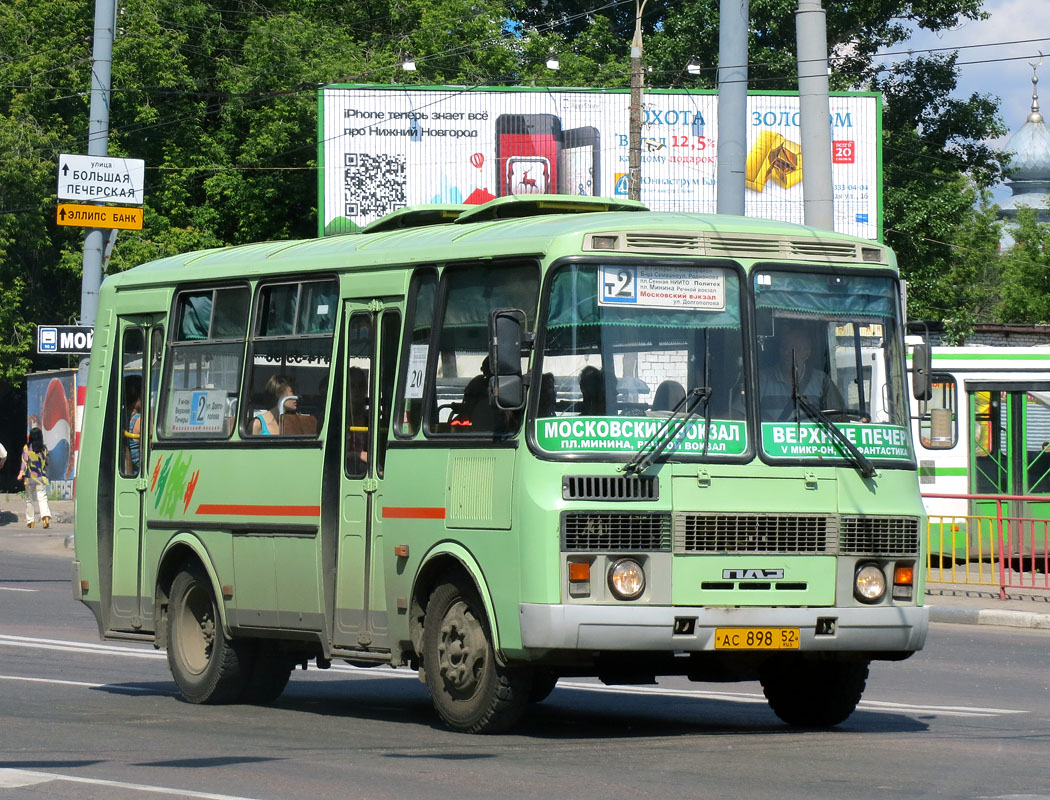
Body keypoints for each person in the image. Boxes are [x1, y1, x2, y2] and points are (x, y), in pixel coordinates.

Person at [760, 326, 844, 421]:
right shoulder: (762, 379)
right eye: (784, 347)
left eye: (793, 349)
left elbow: (839, 418)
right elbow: (740, 416)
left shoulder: (821, 381)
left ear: (807, 353)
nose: (787, 353)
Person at [17, 427, 50, 529]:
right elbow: (47, 462)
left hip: (29, 478)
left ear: (30, 437)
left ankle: (31, 521)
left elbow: (24, 461)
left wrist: (21, 473)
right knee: (42, 498)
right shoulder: (44, 449)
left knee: (29, 499)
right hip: (41, 477)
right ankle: (45, 517)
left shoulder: (27, 448)